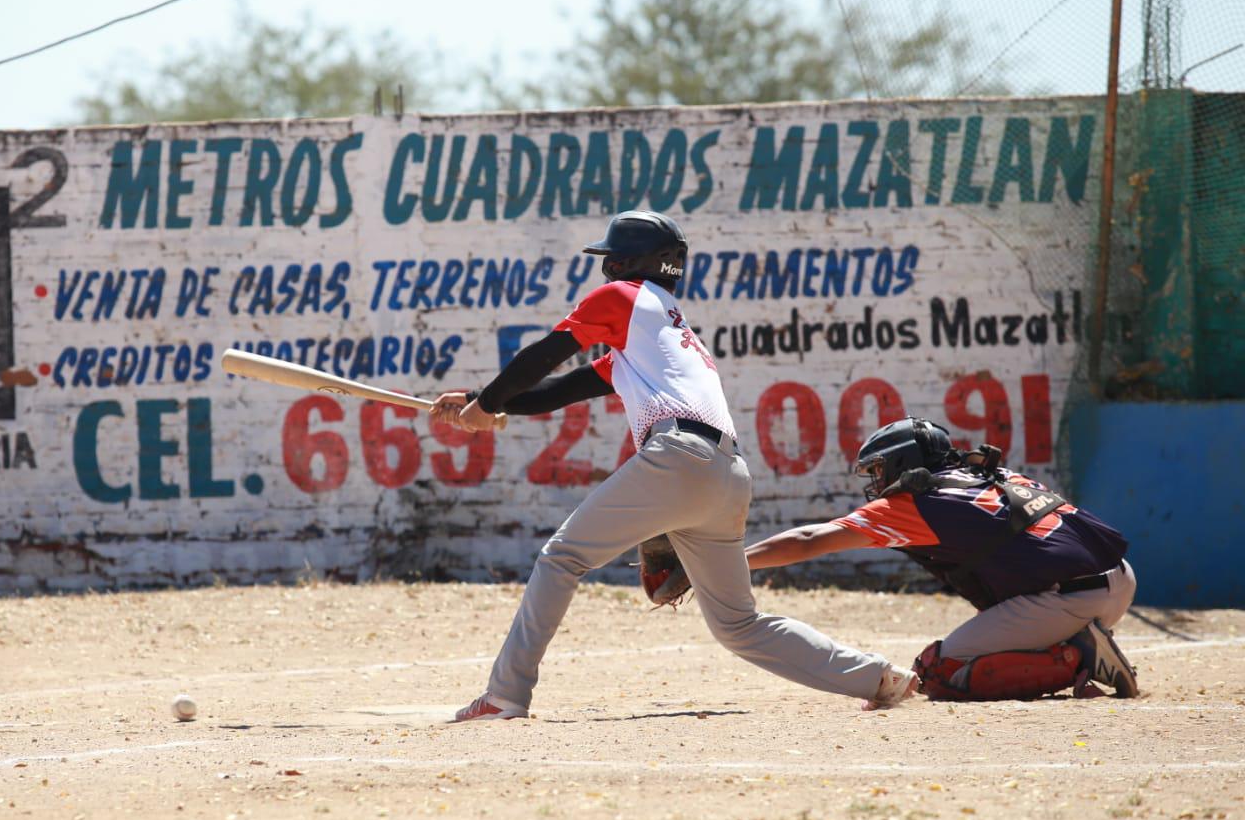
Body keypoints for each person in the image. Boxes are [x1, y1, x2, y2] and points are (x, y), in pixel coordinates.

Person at [432, 210, 917, 722]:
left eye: (610, 261)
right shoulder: (661, 330)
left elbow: (545, 356)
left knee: (561, 558)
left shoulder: (622, 298)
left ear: (625, 263)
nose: (605, 271)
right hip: (726, 473)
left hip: (679, 458)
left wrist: (485, 409)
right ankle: (877, 677)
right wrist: (478, 398)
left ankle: (505, 694)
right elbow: (557, 391)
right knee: (738, 624)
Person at [744, 417, 1139, 700]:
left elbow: (810, 539)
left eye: (880, 469)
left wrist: (731, 562)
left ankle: (1077, 654)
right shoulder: (996, 473)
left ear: (903, 463)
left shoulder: (915, 502)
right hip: (1119, 579)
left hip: (1070, 599)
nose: (876, 482)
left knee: (939, 671)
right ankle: (1077, 638)